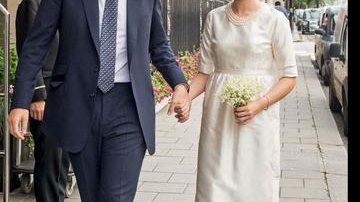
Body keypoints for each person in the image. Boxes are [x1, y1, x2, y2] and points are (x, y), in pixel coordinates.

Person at [8, 0, 191, 201]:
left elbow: (158, 45)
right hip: (78, 105)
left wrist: (179, 85)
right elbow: (36, 45)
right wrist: (20, 102)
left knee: (116, 197)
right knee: (92, 196)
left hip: (128, 107)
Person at [189, 0, 297, 201]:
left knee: (253, 182)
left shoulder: (275, 20)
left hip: (256, 116)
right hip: (217, 117)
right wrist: (185, 99)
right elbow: (204, 73)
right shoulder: (214, 17)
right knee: (213, 183)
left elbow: (289, 77)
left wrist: (260, 104)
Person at [15, 0, 70, 201]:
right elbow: (28, 50)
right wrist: (38, 95)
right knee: (49, 163)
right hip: (46, 92)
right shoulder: (33, 2)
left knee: (62, 162)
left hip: (66, 91)